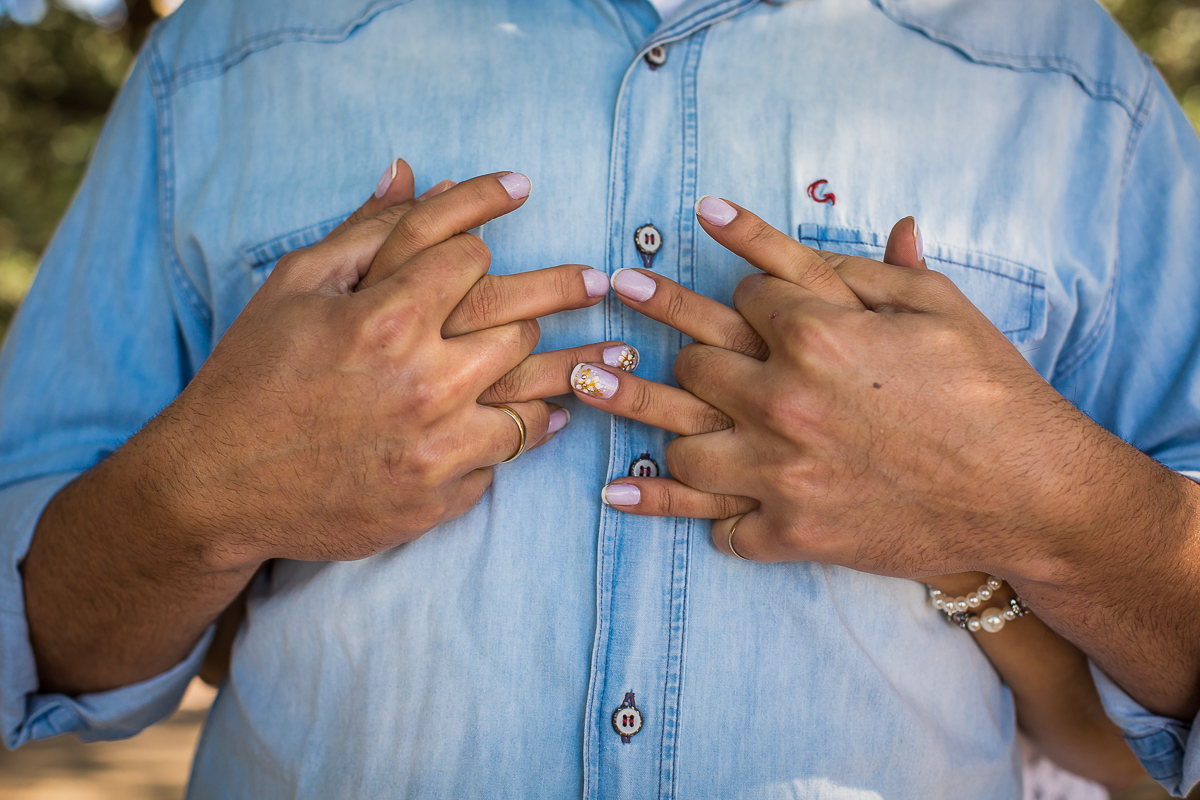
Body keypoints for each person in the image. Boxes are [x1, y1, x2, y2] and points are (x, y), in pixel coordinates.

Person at [2, 0, 1199, 797]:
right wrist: (208, 487)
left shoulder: (1075, 82)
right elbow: (34, 643)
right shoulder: (222, 54)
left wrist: (1022, 487)